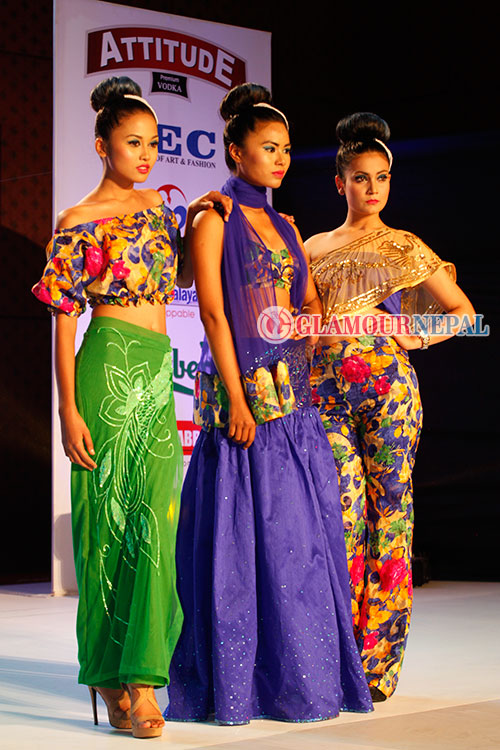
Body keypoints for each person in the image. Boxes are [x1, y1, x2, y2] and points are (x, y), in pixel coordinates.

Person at [165, 83, 373, 725]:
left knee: (300, 545)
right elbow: (212, 313)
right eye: (268, 147)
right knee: (243, 548)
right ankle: (242, 686)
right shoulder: (214, 218)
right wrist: (236, 396)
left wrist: (305, 336)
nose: (280, 159)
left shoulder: (287, 225)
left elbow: (308, 300)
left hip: (296, 401)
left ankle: (302, 682)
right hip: (243, 402)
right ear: (236, 150)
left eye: (285, 148)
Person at [31, 76, 231, 739]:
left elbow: (175, 277)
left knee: (157, 527)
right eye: (133, 142)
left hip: (155, 368)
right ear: (102, 145)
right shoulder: (77, 221)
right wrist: (68, 410)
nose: (146, 155)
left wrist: (197, 216)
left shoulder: (159, 207)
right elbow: (63, 322)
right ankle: (119, 679)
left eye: (153, 143)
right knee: (107, 527)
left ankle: (142, 673)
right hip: (106, 367)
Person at [305, 112, 475, 702]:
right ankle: (336, 657)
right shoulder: (312, 247)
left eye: (381, 177)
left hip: (389, 392)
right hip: (324, 394)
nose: (372, 188)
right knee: (339, 515)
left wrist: (415, 334)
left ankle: (376, 667)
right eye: (361, 177)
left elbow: (465, 314)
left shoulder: (404, 246)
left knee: (391, 514)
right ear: (340, 183)